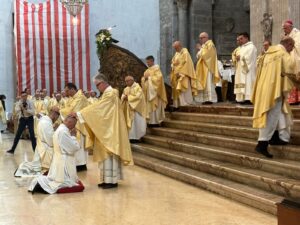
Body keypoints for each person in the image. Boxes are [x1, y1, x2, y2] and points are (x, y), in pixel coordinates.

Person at [77, 73, 133, 189]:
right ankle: (106, 179)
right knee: (105, 155)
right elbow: (100, 109)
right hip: (106, 128)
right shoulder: (107, 93)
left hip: (110, 130)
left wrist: (80, 113)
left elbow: (100, 108)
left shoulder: (110, 93)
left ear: (102, 82)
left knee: (109, 154)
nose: (97, 88)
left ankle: (111, 181)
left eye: (97, 85)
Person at [251, 37, 296, 158]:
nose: (292, 50)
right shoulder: (282, 53)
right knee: (271, 116)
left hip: (263, 88)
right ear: (289, 44)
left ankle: (274, 137)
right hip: (274, 90)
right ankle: (262, 145)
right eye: (292, 47)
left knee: (273, 114)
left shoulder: (267, 54)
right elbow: (291, 69)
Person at [28, 114, 83, 194]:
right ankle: (41, 184)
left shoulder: (60, 129)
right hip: (63, 162)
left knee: (59, 179)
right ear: (69, 122)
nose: (73, 127)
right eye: (74, 125)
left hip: (58, 159)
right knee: (65, 183)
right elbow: (73, 148)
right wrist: (74, 136)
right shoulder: (63, 132)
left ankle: (41, 183)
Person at [14, 107, 60, 177]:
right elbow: (50, 141)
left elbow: (47, 134)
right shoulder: (46, 123)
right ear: (54, 114)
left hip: (41, 147)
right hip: (45, 150)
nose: (56, 119)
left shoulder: (44, 120)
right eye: (57, 116)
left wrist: (54, 129)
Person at [60, 83, 89, 171]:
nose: (66, 92)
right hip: (72, 124)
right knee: (74, 143)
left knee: (79, 145)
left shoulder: (80, 98)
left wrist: (60, 111)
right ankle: (76, 163)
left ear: (72, 89)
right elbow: (68, 109)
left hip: (79, 125)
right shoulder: (72, 99)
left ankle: (81, 165)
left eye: (67, 90)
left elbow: (73, 111)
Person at [170, 41, 198, 108]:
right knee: (177, 89)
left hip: (183, 74)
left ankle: (186, 102)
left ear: (179, 46)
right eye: (174, 48)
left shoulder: (185, 53)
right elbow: (173, 62)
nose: (175, 49)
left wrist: (181, 73)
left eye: (176, 48)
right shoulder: (176, 53)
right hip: (176, 74)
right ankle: (178, 104)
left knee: (183, 88)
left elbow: (187, 64)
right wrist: (172, 66)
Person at [141, 56, 168, 126]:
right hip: (149, 93)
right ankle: (150, 122)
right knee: (149, 108)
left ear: (152, 61)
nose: (147, 64)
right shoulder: (147, 70)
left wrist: (149, 78)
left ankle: (156, 122)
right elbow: (143, 80)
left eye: (148, 62)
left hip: (155, 93)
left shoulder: (156, 68)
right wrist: (145, 79)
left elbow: (159, 78)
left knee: (156, 107)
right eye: (146, 62)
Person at [195, 32, 220, 104]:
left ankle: (210, 99)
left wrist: (200, 49)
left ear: (206, 37)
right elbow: (198, 56)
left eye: (202, 38)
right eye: (200, 38)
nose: (200, 39)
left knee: (208, 83)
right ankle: (204, 99)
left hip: (208, 67)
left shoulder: (210, 44)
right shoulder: (204, 45)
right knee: (204, 83)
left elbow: (206, 55)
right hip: (203, 67)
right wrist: (201, 49)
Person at [121, 76, 147, 142]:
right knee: (131, 125)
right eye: (126, 81)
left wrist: (128, 98)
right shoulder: (126, 88)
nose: (126, 82)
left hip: (136, 110)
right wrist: (124, 97)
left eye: (128, 81)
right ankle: (131, 137)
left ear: (132, 80)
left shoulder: (137, 87)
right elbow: (123, 95)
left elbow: (138, 97)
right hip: (128, 109)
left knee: (136, 123)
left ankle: (137, 137)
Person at [234, 32, 257, 104]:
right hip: (242, 69)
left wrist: (240, 57)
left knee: (248, 83)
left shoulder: (251, 47)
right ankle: (242, 98)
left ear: (246, 38)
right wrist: (237, 58)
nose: (240, 40)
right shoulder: (242, 47)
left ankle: (249, 99)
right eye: (239, 39)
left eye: (241, 39)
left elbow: (249, 58)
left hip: (248, 70)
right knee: (243, 83)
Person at [283, 20, 300, 105]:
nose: (284, 30)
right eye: (283, 28)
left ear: (290, 27)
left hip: (295, 59)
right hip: (287, 60)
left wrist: (290, 46)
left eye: (285, 28)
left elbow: (298, 46)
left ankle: (297, 98)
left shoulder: (297, 34)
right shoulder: (286, 36)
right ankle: (291, 99)